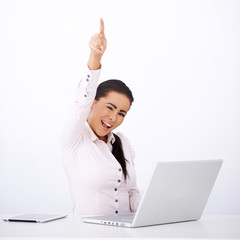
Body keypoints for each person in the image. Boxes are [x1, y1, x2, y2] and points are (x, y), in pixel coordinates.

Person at [61, 19, 141, 216]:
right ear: (94, 102)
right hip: (88, 233)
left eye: (122, 113)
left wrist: (155, 206)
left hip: (126, 231)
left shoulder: (122, 142)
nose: (114, 118)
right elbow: (82, 100)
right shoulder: (75, 138)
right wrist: (95, 55)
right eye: (110, 107)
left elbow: (131, 192)